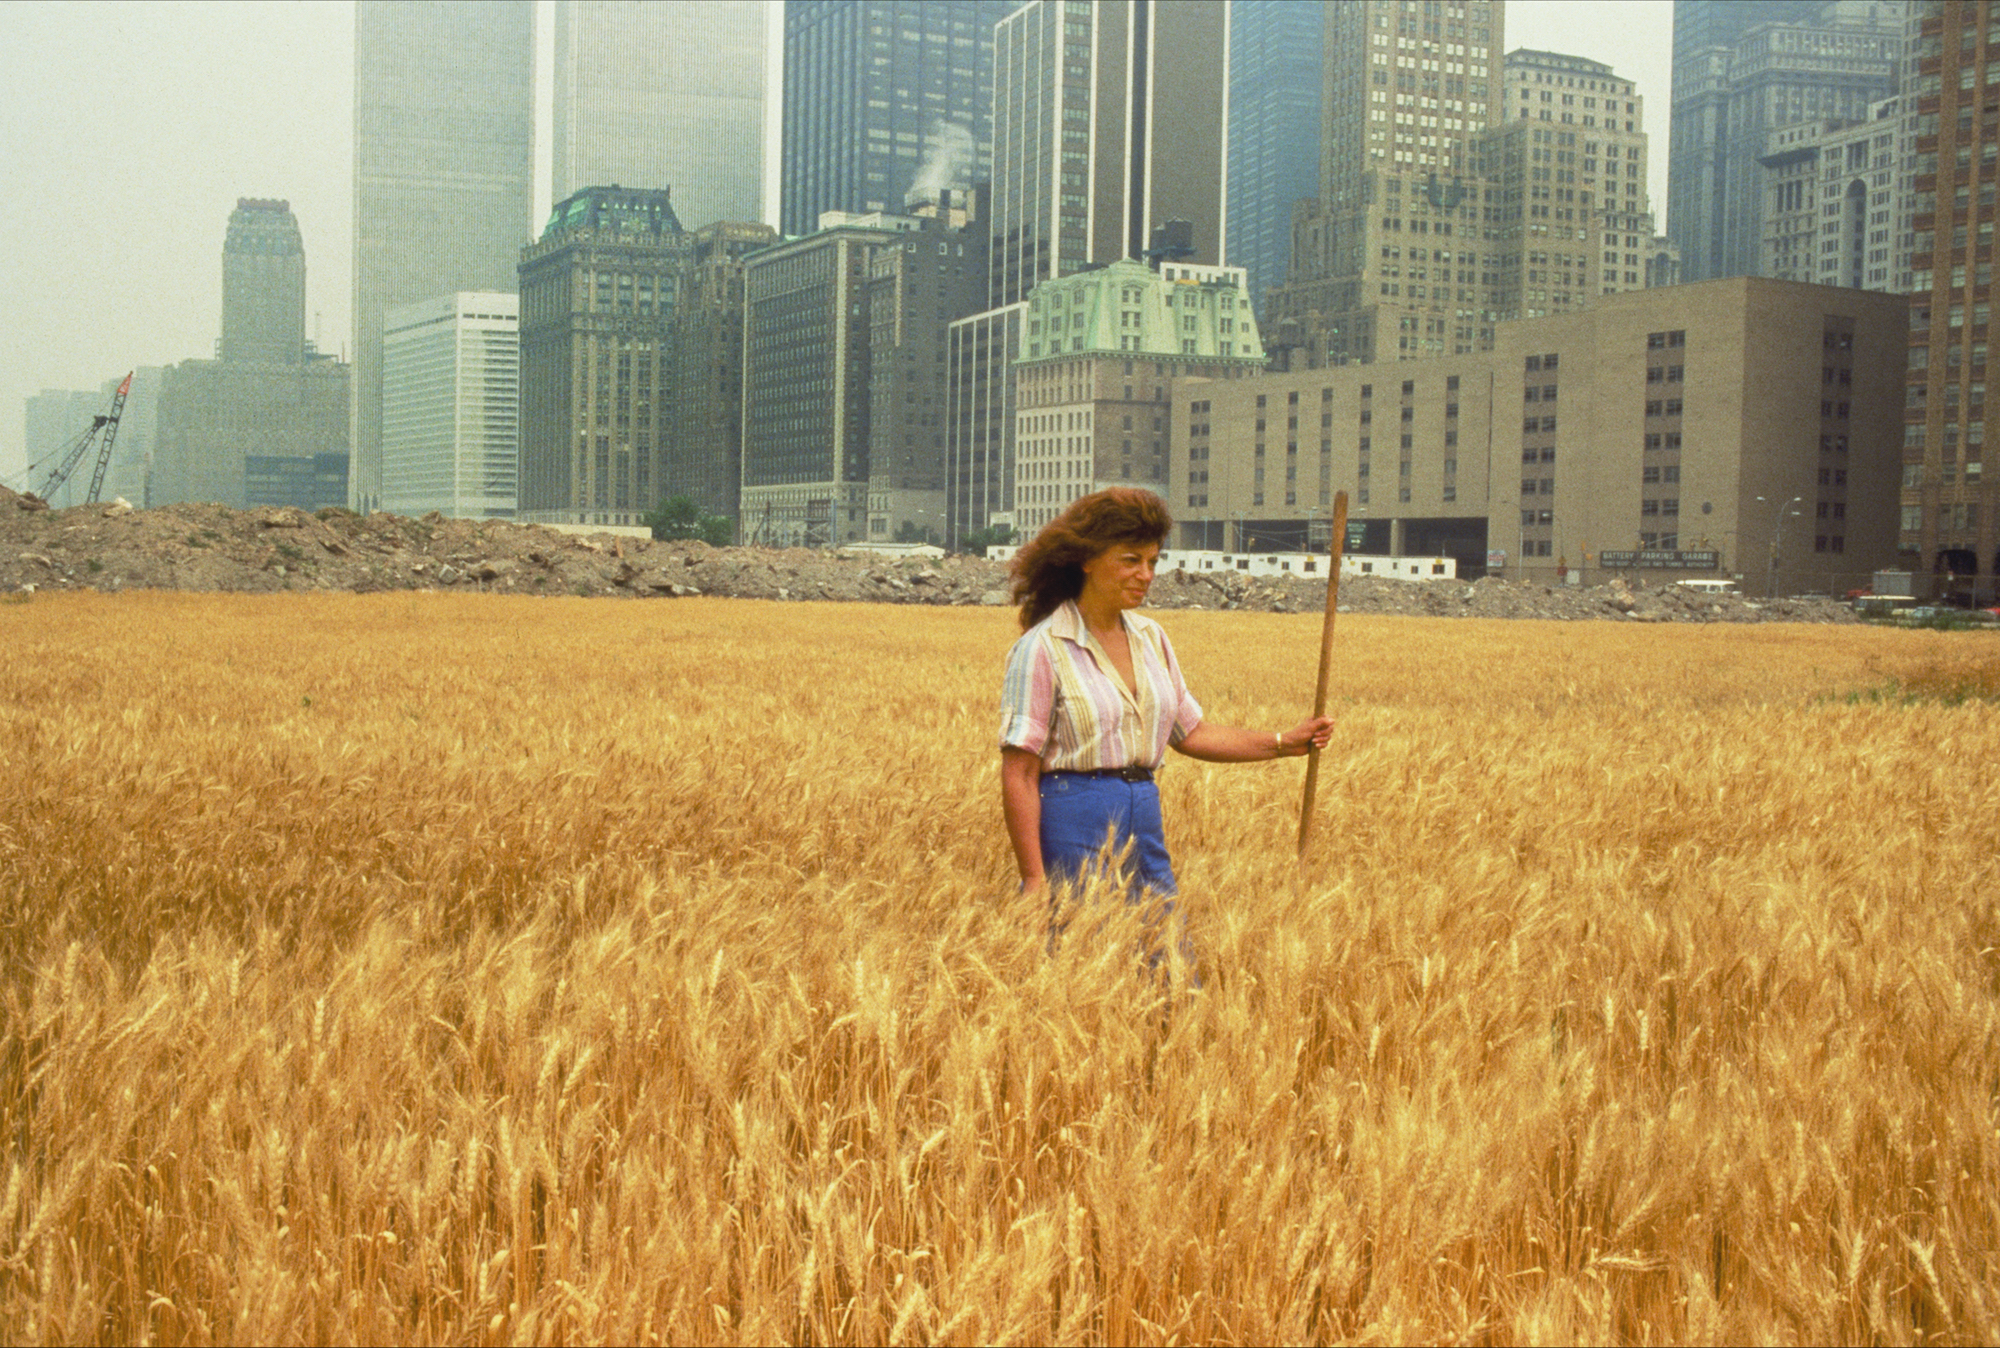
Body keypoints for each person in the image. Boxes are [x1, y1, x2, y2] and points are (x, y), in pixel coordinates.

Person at [998, 488, 1335, 949]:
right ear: (1087, 559)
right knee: (1082, 957)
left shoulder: (1151, 639)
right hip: (1073, 813)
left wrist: (1283, 743)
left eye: (1152, 562)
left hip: (1144, 810)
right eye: (1131, 560)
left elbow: (1191, 732)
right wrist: (1034, 880)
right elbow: (1018, 771)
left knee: (1168, 961)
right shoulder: (1042, 648)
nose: (1146, 575)